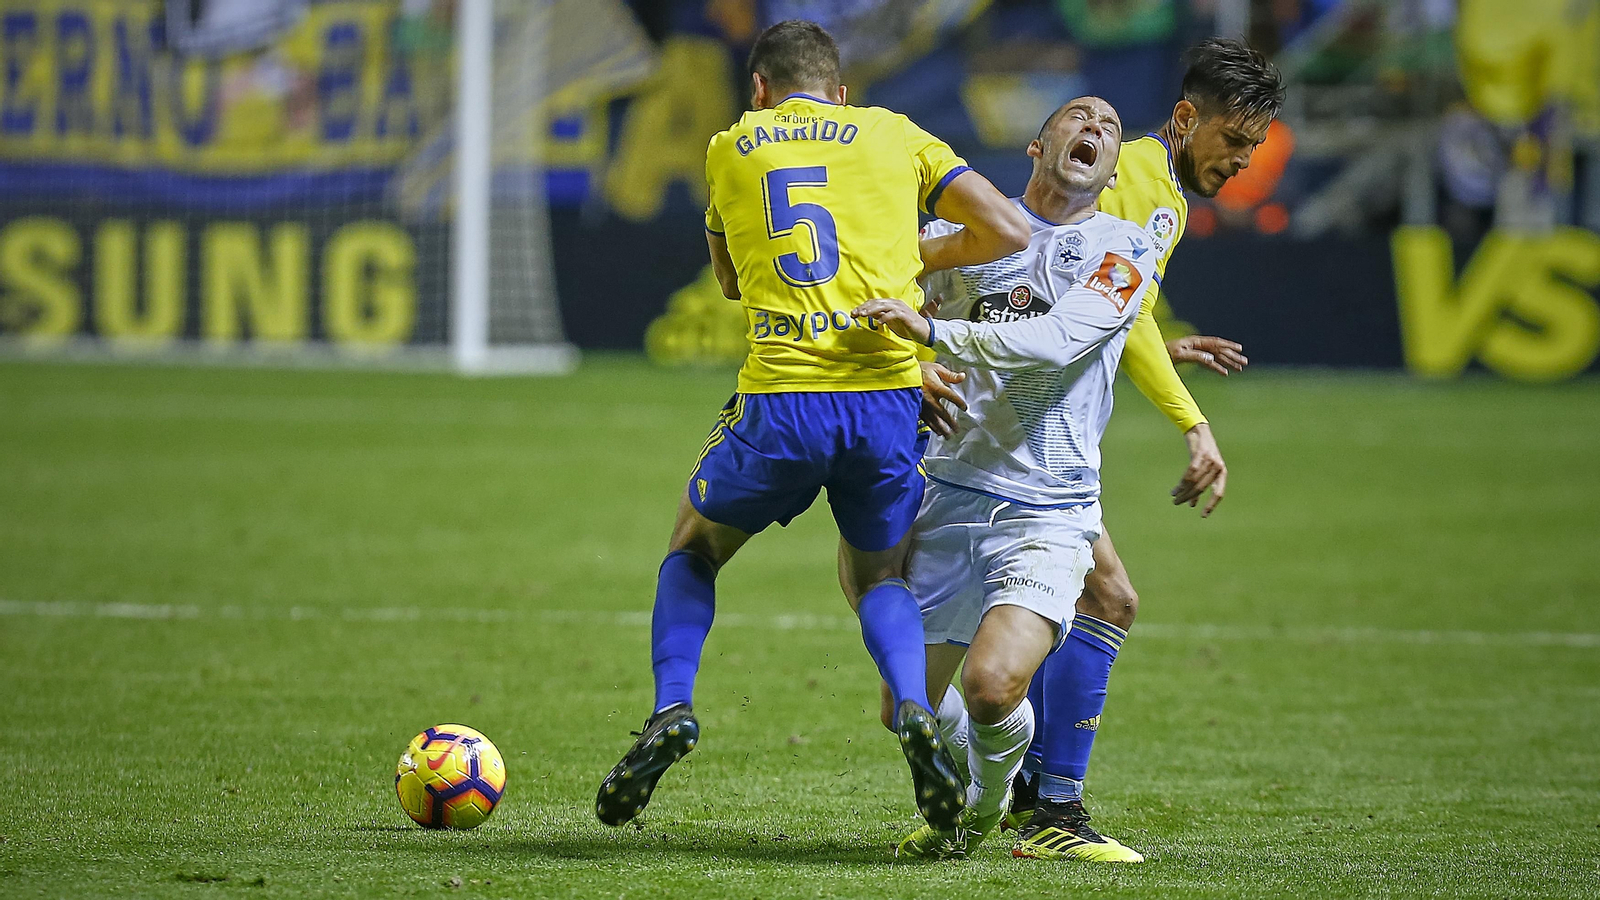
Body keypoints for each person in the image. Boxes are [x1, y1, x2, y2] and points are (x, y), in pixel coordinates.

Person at [593, 19, 1031, 832]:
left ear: (759, 88)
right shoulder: (895, 134)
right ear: (840, 89)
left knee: (693, 547)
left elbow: (728, 281)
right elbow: (1006, 230)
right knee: (879, 579)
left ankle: (672, 708)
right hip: (887, 405)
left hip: (782, 402)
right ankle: (911, 707)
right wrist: (909, 257)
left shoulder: (735, 144)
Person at [1001, 37, 1287, 862]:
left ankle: (1020, 788)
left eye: (1254, 147)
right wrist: (1193, 423)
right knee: (1103, 601)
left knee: (1069, 606)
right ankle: (1042, 801)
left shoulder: (1153, 182)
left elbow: (1114, 307)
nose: (1241, 161)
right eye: (1235, 141)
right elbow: (1109, 307)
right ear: (1187, 118)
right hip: (1025, 430)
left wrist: (1163, 339)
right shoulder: (1145, 187)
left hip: (1023, 420)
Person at [850, 95, 1159, 859]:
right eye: (1078, 116)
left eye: (1110, 127)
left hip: (1047, 509)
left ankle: (983, 814)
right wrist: (912, 362)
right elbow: (872, 308)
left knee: (992, 687)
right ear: (1037, 142)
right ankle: (968, 808)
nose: (1094, 129)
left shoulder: (1126, 250)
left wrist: (934, 331)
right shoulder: (966, 241)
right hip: (947, 493)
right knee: (903, 708)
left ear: (1114, 167)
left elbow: (1058, 342)